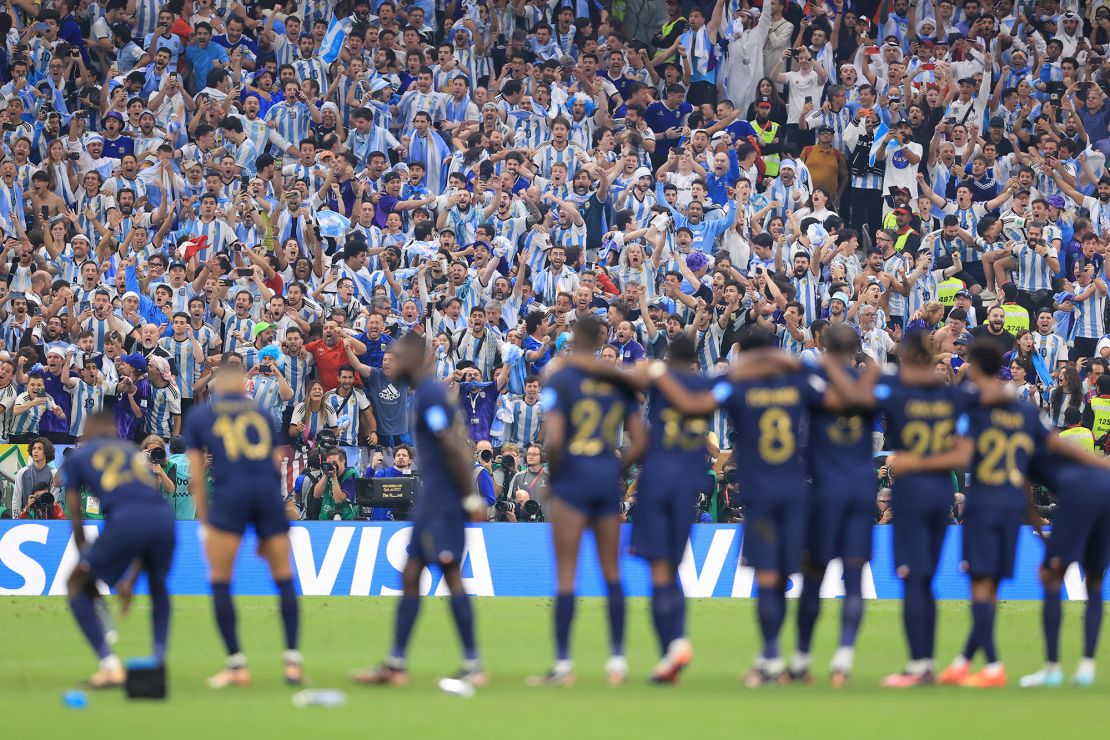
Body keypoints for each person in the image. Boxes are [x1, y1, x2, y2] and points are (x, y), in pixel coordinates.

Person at [652, 326, 820, 686]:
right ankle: (801, 660)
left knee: (768, 576)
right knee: (800, 576)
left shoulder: (738, 387)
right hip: (795, 488)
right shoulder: (797, 384)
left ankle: (771, 659)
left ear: (745, 354)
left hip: (760, 490)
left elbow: (695, 404)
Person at [936, 339, 1103, 688]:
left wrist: (915, 463)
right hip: (1047, 497)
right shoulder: (1026, 412)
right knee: (997, 587)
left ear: (972, 366)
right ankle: (967, 661)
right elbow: (1056, 446)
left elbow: (965, 455)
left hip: (991, 502)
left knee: (997, 584)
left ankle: (1018, 666)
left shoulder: (974, 408)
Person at [824, 329, 975, 687]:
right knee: (925, 580)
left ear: (905, 356)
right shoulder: (951, 396)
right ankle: (924, 663)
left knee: (913, 580)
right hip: (940, 493)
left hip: (908, 495)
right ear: (934, 356)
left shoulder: (894, 391)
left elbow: (853, 398)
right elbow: (965, 452)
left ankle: (919, 666)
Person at [351, 333, 487, 691]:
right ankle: (396, 663)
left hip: (444, 503)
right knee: (412, 574)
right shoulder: (424, 396)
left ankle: (473, 664)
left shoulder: (429, 396)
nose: (389, 363)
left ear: (413, 359)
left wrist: (470, 499)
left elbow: (455, 447)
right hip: (432, 502)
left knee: (450, 574)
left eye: (396, 357)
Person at [530, 315, 646, 686]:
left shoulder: (561, 380)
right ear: (602, 339)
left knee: (567, 574)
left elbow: (555, 441)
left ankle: (563, 666)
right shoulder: (619, 381)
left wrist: (557, 478)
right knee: (612, 572)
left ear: (573, 338)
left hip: (573, 483)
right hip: (603, 479)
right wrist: (613, 471)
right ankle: (617, 662)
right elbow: (640, 442)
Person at [182, 362, 303, 688]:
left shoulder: (201, 417)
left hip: (231, 497)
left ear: (217, 387)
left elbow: (196, 474)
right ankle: (292, 662)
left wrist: (206, 519)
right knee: (284, 578)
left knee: (221, 580)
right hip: (266, 496)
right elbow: (276, 462)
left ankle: (237, 666)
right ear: (244, 387)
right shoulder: (262, 414)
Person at [62, 411, 175, 687]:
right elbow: (144, 512)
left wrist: (84, 553)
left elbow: (74, 511)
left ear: (87, 432)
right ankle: (158, 660)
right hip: (164, 519)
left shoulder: (80, 457)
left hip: (125, 519)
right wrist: (130, 579)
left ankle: (110, 665)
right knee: (159, 586)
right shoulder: (133, 454)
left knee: (76, 584)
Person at [1022, 447, 1110, 687]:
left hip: (1077, 492)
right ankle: (1087, 669)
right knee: (1095, 580)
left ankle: (1052, 669)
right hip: (1105, 487)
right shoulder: (1050, 442)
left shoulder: (1024, 456)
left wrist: (1042, 536)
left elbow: (1026, 502)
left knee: (1050, 577)